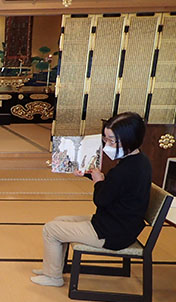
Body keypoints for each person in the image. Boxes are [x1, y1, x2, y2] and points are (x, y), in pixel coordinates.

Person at [31, 112, 152, 287]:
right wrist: (92, 176)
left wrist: (98, 182)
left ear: (130, 139)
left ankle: (53, 277)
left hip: (111, 233)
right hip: (119, 224)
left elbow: (101, 199)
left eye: (112, 141)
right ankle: (53, 268)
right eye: (105, 140)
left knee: (51, 229)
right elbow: (113, 188)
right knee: (59, 220)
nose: (107, 145)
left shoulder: (124, 171)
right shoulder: (139, 160)